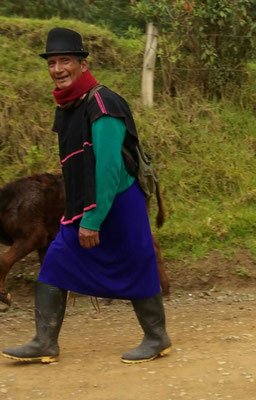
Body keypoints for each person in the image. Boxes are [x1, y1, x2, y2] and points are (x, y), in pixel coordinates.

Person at [2, 27, 171, 364]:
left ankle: (157, 338)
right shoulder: (69, 106)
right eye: (51, 62)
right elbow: (77, 166)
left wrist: (92, 219)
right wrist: (78, 210)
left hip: (120, 202)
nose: (58, 68)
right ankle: (44, 341)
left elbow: (108, 169)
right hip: (83, 201)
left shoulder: (102, 104)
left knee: (136, 262)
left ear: (82, 63)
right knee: (55, 261)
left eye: (65, 60)